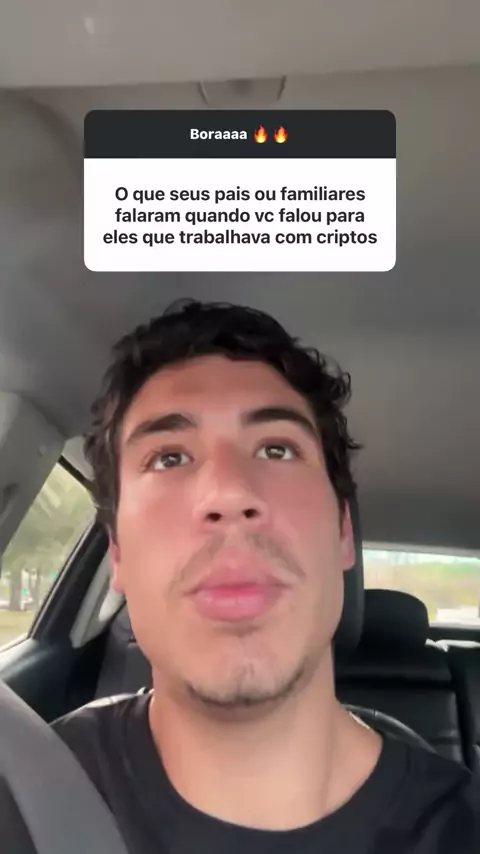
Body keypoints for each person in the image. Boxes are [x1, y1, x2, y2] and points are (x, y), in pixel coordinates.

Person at [52, 299, 480, 853]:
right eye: (169, 458)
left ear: (343, 531)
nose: (229, 493)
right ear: (119, 553)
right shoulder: (27, 787)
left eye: (276, 449)